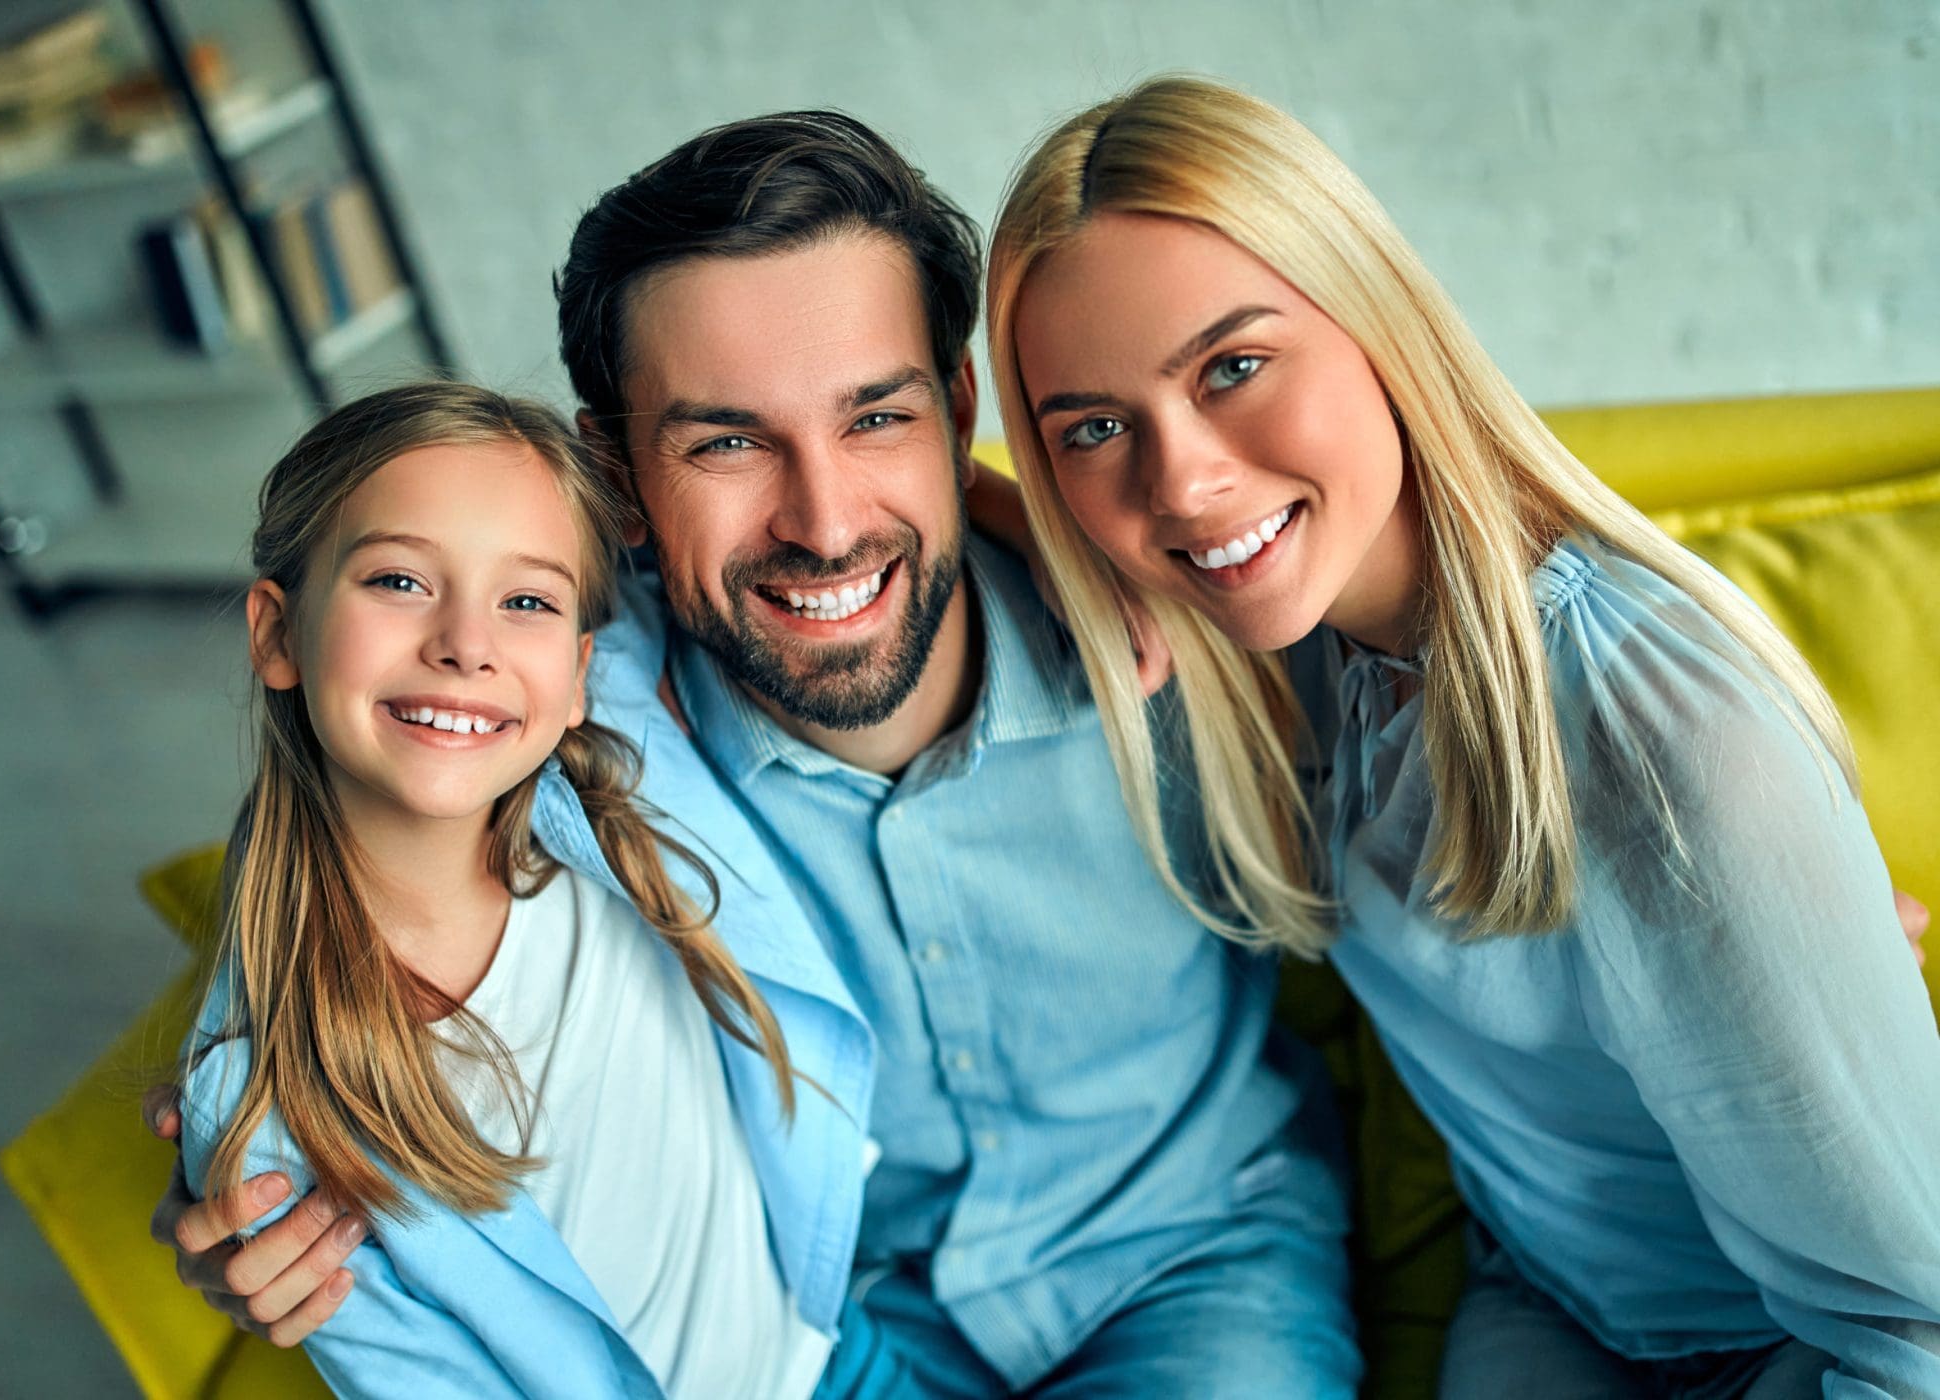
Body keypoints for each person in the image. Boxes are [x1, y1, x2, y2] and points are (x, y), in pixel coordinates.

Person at [150, 113, 1362, 1396]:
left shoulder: (1181, 600)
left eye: (875, 417)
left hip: (1194, 1263)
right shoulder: (571, 710)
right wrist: (245, 1158)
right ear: (616, 473)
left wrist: (1023, 507)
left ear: (956, 410)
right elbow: (352, 799)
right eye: (726, 441)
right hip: (831, 1319)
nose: (825, 522)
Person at [985, 75, 1940, 1399]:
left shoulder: (1659, 732)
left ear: (1375, 324)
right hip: (1548, 1308)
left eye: (1234, 369)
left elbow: (1917, 1325)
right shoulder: (1283, 645)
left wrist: (1774, 899)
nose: (1183, 485)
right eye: (1092, 428)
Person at [176, 380, 929, 1397]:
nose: (466, 643)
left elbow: (811, 533)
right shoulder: (268, 1110)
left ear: (579, 669)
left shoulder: (616, 723)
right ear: (275, 631)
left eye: (524, 598)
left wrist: (1054, 541)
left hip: (852, 1349)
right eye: (398, 580)